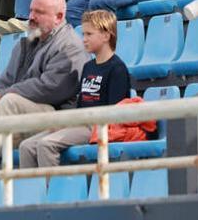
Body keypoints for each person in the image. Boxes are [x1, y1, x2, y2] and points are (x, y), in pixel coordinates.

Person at [0, 0, 85, 171]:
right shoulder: (25, 43)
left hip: (58, 118)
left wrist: (6, 94)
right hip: (27, 119)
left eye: (39, 12)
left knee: (9, 101)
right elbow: (3, 83)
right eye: (31, 11)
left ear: (59, 17)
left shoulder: (70, 46)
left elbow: (50, 88)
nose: (31, 17)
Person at [18, 9, 132, 168]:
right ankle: (29, 192)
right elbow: (81, 103)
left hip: (96, 127)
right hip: (80, 123)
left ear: (106, 36)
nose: (84, 39)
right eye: (83, 34)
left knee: (46, 145)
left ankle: (52, 191)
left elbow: (116, 112)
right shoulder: (88, 67)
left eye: (89, 34)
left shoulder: (117, 69)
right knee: (26, 146)